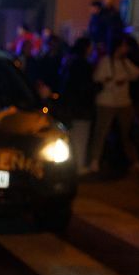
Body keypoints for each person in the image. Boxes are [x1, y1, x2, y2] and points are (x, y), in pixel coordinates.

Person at [88, 35, 139, 173]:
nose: (126, 49)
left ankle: (134, 160)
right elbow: (98, 78)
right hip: (107, 101)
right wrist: (112, 81)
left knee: (128, 133)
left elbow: (136, 74)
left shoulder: (125, 63)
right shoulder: (106, 62)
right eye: (124, 46)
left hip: (123, 102)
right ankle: (95, 160)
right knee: (102, 132)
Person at [57, 38, 97, 175]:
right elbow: (84, 88)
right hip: (81, 107)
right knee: (80, 137)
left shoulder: (69, 62)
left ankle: (72, 164)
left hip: (71, 106)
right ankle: (78, 166)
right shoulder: (82, 64)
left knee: (73, 136)